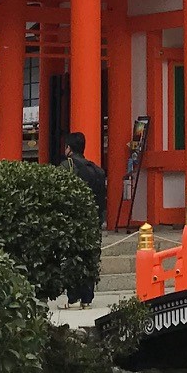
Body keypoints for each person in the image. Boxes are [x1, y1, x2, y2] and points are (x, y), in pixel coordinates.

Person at [60, 131, 109, 308]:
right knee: (90, 258)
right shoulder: (97, 170)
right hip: (93, 222)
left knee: (73, 257)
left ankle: (73, 297)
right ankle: (87, 298)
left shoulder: (67, 167)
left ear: (68, 148)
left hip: (74, 221)